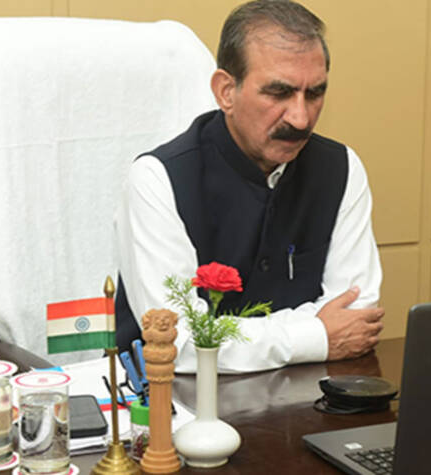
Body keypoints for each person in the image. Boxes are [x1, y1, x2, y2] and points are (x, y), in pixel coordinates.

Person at [114, 0, 384, 373]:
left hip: (308, 391)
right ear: (226, 91)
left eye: (315, 93)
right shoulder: (158, 179)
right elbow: (179, 341)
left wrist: (239, 338)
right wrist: (314, 334)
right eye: (279, 93)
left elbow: (356, 316)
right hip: (175, 399)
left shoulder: (341, 167)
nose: (300, 118)